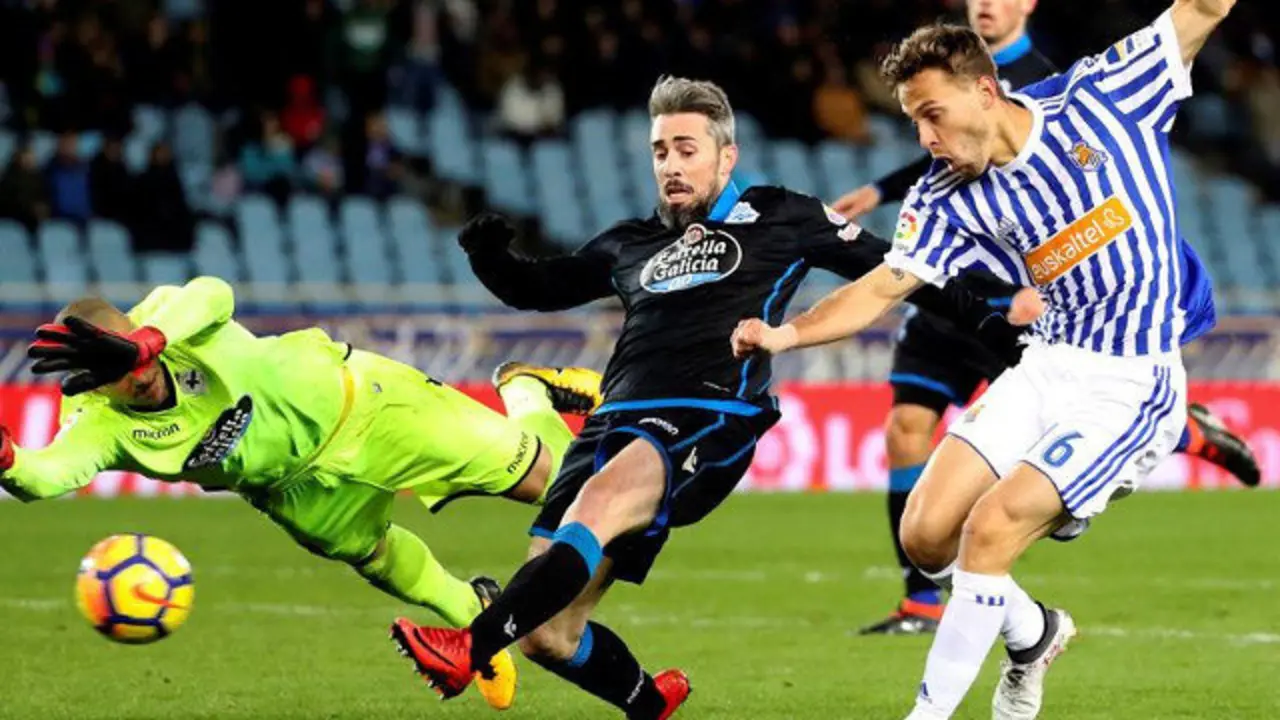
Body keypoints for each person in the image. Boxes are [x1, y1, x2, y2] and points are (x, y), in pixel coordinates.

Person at [387, 76, 1039, 719]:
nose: (671, 164)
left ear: (726, 156)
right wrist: (488, 255)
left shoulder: (783, 215)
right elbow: (539, 288)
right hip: (609, 423)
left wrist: (996, 320)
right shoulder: (628, 242)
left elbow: (901, 269)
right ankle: (648, 700)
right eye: (661, 150)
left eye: (687, 148)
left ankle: (466, 650)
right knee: (545, 634)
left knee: (598, 508)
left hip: (708, 413)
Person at [731, 1, 1237, 717]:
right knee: (925, 535)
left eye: (933, 114)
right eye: (913, 121)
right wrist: (785, 335)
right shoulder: (943, 196)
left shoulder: (1103, 96)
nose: (925, 138)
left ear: (985, 90)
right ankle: (1033, 633)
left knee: (990, 529)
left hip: (1131, 378)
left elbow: (1204, 8)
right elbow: (882, 285)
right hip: (1045, 364)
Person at [832, 0, 1259, 637]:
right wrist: (883, 195)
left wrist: (1037, 282)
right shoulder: (936, 94)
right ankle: (922, 594)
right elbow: (934, 173)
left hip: (1027, 314)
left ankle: (1171, 429)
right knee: (905, 430)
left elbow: (1090, 190)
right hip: (948, 288)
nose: (985, 4)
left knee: (1054, 436)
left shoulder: (1053, 88)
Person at [0, 276, 602, 712]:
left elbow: (215, 293)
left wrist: (151, 339)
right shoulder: (96, 419)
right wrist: (8, 458)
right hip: (291, 489)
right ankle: (474, 620)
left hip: (365, 405)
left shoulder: (167, 316)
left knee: (550, 485)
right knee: (375, 557)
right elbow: (49, 474)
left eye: (131, 355)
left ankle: (525, 389)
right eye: (116, 374)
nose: (134, 375)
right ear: (95, 386)